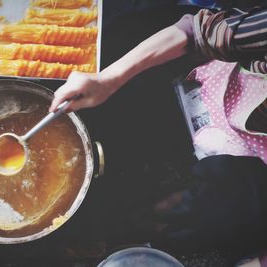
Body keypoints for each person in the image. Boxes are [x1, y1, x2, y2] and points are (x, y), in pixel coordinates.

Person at [50, 4, 267, 267]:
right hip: (216, 88)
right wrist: (106, 80)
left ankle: (146, 227)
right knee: (117, 38)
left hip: (254, 161)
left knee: (212, 213)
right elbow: (199, 32)